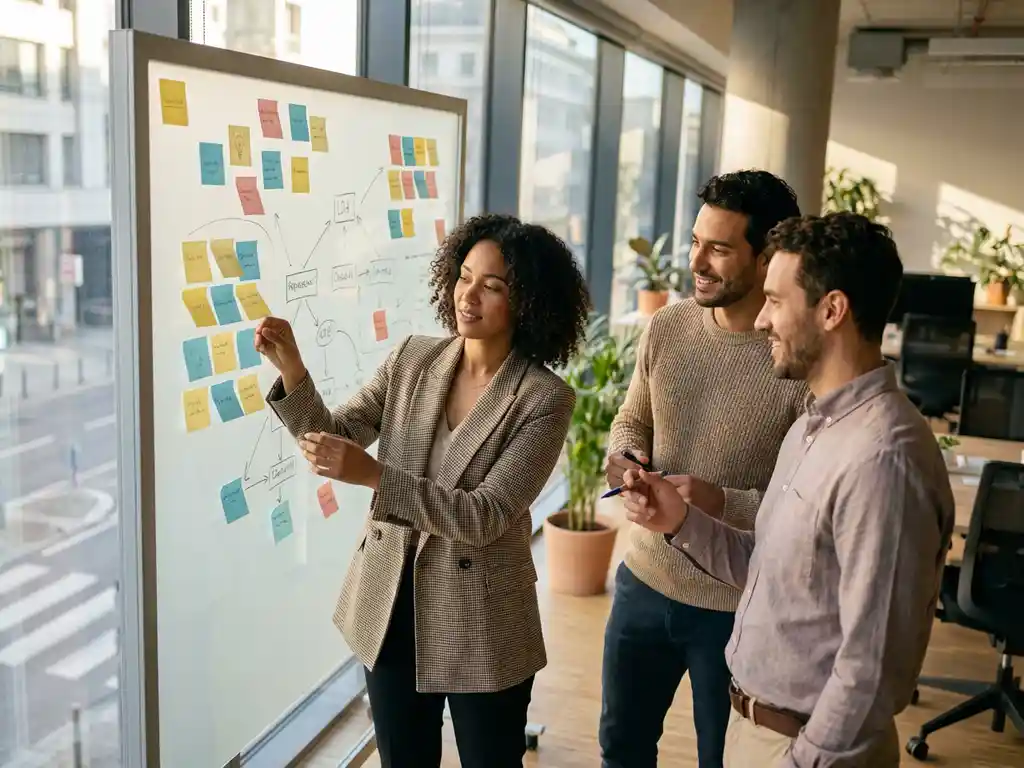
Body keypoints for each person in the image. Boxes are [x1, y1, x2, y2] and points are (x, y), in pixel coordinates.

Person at [255, 213, 591, 768]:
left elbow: (484, 516)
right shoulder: (414, 358)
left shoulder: (543, 399)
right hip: (390, 604)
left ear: (528, 301)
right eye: (463, 277)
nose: (469, 296)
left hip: (483, 617)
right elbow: (336, 438)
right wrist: (291, 367)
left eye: (493, 286)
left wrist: (373, 476)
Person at [621, 212, 955, 768]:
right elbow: (771, 570)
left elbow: (870, 666)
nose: (761, 321)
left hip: (810, 750)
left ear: (832, 310)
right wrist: (680, 522)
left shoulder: (884, 458)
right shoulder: (810, 429)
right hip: (758, 731)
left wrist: (800, 762)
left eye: (775, 301)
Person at [601, 170, 808, 768]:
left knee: (723, 758)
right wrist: (627, 460)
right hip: (643, 579)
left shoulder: (792, 360)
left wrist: (722, 501)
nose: (698, 261)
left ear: (767, 255)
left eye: (719, 248)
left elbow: (806, 500)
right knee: (622, 747)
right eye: (695, 241)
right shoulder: (668, 327)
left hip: (737, 602)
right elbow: (632, 418)